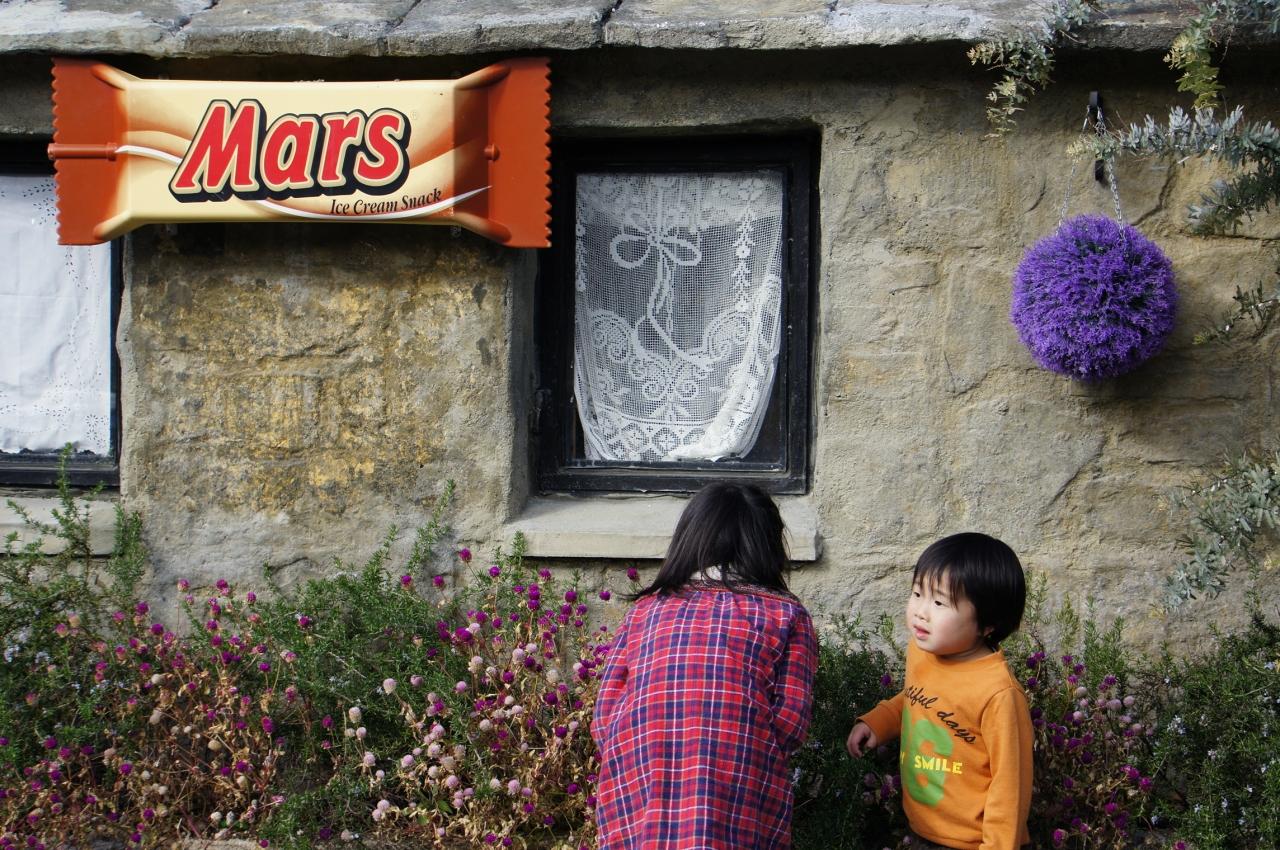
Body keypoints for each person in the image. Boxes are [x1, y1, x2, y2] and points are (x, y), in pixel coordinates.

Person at [592, 481, 818, 850]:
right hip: (738, 767)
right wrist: (754, 745)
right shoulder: (786, 615)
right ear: (769, 545)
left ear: (689, 539)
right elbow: (791, 721)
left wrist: (631, 747)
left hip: (641, 766)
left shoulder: (646, 610)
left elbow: (605, 712)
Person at [846, 533, 1031, 850]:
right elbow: (918, 699)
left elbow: (1010, 784)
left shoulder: (998, 693)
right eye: (918, 593)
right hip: (922, 828)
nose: (921, 611)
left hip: (972, 842)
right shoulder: (922, 653)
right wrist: (878, 722)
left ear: (987, 623)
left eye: (939, 602)